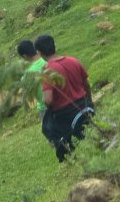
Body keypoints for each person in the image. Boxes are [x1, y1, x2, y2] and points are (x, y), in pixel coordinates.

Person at [33, 34, 93, 163]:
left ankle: (67, 157)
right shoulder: (73, 60)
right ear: (54, 45)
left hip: (65, 113)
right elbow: (86, 84)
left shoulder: (47, 71)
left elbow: (48, 100)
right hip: (84, 105)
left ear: (39, 52)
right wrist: (90, 102)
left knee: (48, 129)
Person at [17, 39, 47, 118]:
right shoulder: (46, 59)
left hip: (44, 107)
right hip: (60, 101)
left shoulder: (28, 73)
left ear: (24, 56)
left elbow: (23, 92)